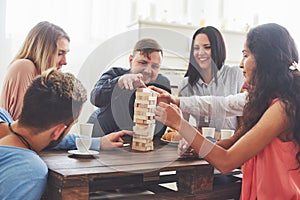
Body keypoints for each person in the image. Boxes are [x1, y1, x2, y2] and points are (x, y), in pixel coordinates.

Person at [155, 23, 300, 199]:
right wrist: (198, 148)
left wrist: (179, 123)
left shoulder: (283, 108)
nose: (241, 64)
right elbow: (232, 142)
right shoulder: (264, 102)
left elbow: (226, 161)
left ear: (265, 59)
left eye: (246, 55)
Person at [0, 69, 131, 200]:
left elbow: (45, 135)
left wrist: (97, 142)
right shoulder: (29, 171)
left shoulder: (4, 118)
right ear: (58, 131)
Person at [87, 38, 171, 138]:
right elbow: (95, 99)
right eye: (143, 63)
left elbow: (161, 126)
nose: (148, 70)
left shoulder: (162, 84)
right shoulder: (115, 73)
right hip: (102, 137)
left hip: (139, 143)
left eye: (155, 66)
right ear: (131, 60)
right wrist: (119, 82)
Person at [177, 26, 244, 131]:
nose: (200, 53)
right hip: (200, 145)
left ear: (217, 49)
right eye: (196, 48)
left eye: (207, 47)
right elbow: (181, 127)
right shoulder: (185, 85)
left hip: (231, 145)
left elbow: (244, 125)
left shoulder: (236, 75)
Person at [0, 21, 70, 120]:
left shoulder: (44, 81)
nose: (64, 62)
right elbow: (23, 123)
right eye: (59, 53)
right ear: (42, 51)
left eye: (65, 53)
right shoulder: (24, 67)